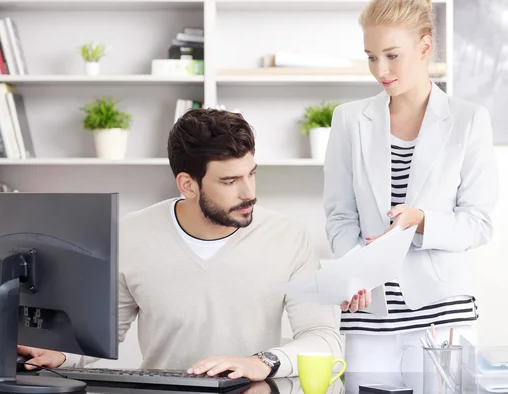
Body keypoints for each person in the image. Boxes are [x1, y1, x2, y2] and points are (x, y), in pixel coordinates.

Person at [18, 108, 343, 381]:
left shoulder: (287, 237)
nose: (248, 193)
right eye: (230, 181)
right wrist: (57, 353)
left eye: (251, 174)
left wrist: (262, 362)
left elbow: (324, 337)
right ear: (188, 184)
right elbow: (101, 335)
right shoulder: (130, 235)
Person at [321, 0, 498, 385]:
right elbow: (340, 213)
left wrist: (422, 221)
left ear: (424, 46)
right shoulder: (349, 120)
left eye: (391, 54)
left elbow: (479, 222)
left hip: (443, 318)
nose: (380, 69)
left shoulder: (468, 120)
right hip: (369, 318)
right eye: (371, 56)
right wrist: (354, 271)